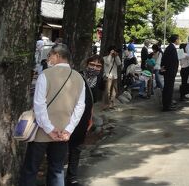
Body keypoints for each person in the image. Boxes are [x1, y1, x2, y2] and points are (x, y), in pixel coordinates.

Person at [19, 44, 85, 186]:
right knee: (57, 170)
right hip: (63, 134)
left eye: (50, 55)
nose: (49, 59)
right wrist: (69, 129)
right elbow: (80, 107)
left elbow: (39, 105)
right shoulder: (79, 78)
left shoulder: (45, 75)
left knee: (31, 170)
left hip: (40, 133)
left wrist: (49, 129)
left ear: (57, 55)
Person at [67, 54, 104, 186]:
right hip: (69, 117)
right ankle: (57, 175)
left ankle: (72, 177)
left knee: (76, 148)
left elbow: (92, 102)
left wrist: (90, 118)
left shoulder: (97, 81)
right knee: (62, 147)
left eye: (98, 66)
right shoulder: (77, 76)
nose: (95, 68)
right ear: (87, 64)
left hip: (84, 119)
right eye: (92, 65)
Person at [160, 35, 180, 111]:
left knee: (168, 88)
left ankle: (168, 104)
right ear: (175, 40)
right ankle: (166, 106)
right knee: (168, 89)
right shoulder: (171, 48)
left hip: (169, 72)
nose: (179, 41)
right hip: (169, 72)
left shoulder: (170, 47)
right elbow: (171, 61)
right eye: (178, 39)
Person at [102, 46, 122, 110]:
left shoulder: (115, 58)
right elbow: (107, 62)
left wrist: (116, 56)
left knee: (114, 91)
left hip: (115, 76)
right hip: (108, 76)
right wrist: (110, 54)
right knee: (107, 91)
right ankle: (106, 105)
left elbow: (119, 63)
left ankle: (112, 104)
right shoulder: (105, 58)